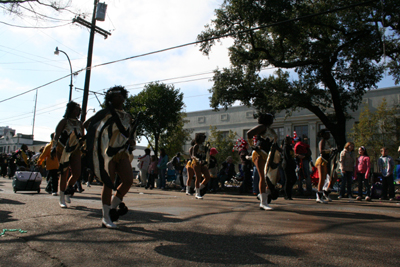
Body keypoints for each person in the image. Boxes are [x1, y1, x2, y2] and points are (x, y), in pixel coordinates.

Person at [85, 86, 137, 228]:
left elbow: (130, 132)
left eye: (122, 95)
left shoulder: (127, 116)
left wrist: (131, 140)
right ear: (110, 98)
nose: (120, 97)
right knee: (108, 182)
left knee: (128, 181)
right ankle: (105, 216)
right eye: (116, 95)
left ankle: (113, 206)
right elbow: (87, 125)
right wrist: (99, 138)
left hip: (122, 152)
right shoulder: (105, 113)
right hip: (107, 152)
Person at [51, 101, 84, 208]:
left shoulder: (80, 124)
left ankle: (68, 190)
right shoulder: (64, 121)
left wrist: (84, 147)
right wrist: (53, 148)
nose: (77, 111)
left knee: (77, 173)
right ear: (70, 110)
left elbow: (82, 138)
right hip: (63, 149)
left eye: (78, 110)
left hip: (75, 149)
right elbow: (56, 135)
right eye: (75, 109)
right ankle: (61, 198)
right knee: (64, 173)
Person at [247, 113, 277, 210]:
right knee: (263, 177)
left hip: (268, 155)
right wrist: (253, 146)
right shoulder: (262, 127)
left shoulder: (270, 129)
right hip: (260, 153)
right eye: (271, 118)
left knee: (273, 177)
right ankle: (263, 203)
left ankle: (263, 194)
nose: (273, 120)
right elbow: (249, 133)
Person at [315, 128, 336, 204]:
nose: (329, 135)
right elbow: (321, 151)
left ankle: (326, 191)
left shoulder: (327, 142)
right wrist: (330, 150)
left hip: (327, 161)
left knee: (333, 176)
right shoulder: (322, 141)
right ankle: (319, 196)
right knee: (322, 178)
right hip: (322, 160)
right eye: (327, 134)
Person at [191, 133, 211, 199]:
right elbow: (193, 156)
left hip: (202, 163)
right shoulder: (196, 146)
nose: (204, 139)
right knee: (198, 177)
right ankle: (197, 193)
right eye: (202, 137)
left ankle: (198, 187)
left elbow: (205, 155)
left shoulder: (204, 146)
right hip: (196, 163)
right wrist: (197, 159)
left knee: (207, 176)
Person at [282, 136, 296, 200]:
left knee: (294, 179)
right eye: (290, 140)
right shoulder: (285, 147)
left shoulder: (290, 147)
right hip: (287, 165)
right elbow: (287, 157)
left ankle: (289, 192)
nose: (291, 141)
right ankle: (287, 195)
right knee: (288, 180)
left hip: (291, 165)